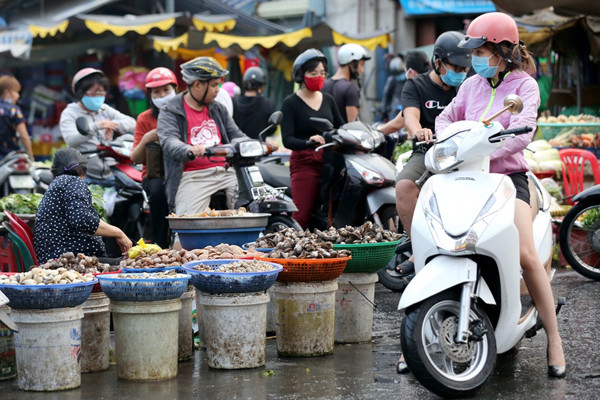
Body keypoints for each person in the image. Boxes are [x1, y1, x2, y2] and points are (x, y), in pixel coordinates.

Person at [436, 12, 565, 378]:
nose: (475, 57)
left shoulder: (524, 87)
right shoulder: (470, 87)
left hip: (509, 179)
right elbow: (446, 119)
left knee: (525, 255)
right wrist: (450, 141)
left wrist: (488, 151)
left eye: (481, 49)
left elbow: (524, 132)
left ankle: (554, 338)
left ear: (502, 50)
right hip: (466, 178)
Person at [157, 56, 249, 215]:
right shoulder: (170, 109)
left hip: (227, 171)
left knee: (254, 208)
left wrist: (257, 144)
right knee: (186, 226)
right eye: (214, 85)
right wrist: (188, 149)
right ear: (198, 84)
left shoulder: (218, 108)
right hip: (193, 177)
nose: (218, 89)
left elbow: (237, 135)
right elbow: (169, 141)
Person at [281, 49, 344, 229]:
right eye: (313, 73)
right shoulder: (290, 103)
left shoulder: (329, 100)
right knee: (302, 214)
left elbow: (342, 127)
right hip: (304, 163)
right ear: (301, 74)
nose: (319, 76)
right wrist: (309, 141)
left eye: (323, 73)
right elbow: (287, 140)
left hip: (330, 163)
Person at [33, 148, 132, 263]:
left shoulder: (59, 183)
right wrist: (118, 233)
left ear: (53, 172)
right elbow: (82, 219)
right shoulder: (74, 182)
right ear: (83, 172)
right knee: (130, 264)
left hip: (57, 258)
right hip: (68, 261)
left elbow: (83, 217)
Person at [59, 68, 136, 188]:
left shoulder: (104, 109)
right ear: (81, 92)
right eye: (94, 93)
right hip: (84, 175)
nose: (98, 97)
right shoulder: (69, 113)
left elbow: (131, 122)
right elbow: (71, 139)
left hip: (111, 172)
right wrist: (95, 127)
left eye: (101, 93)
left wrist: (113, 125)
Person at [131, 67, 176, 248]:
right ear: (150, 95)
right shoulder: (144, 118)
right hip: (155, 174)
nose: (162, 95)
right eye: (157, 92)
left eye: (166, 90)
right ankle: (160, 243)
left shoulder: (184, 114)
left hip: (182, 171)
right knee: (158, 191)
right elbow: (135, 157)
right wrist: (148, 138)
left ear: (175, 89)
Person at [377, 51, 430, 134]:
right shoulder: (435, 82)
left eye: (406, 71)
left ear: (412, 72)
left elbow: (397, 124)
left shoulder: (415, 89)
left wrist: (375, 133)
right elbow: (386, 95)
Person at [322, 43, 370, 123]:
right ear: (353, 63)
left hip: (326, 135)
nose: (362, 70)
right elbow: (353, 124)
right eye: (361, 65)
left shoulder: (324, 85)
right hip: (343, 135)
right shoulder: (350, 88)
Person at [233, 67, 275, 139]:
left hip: (237, 146)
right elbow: (271, 129)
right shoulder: (268, 104)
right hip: (259, 147)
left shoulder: (233, 102)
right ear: (261, 87)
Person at [0, 75, 34, 161]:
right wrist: (30, 156)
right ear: (7, 92)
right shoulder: (14, 110)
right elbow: (24, 136)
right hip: (9, 156)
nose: (18, 96)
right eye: (16, 92)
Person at [381, 56, 406, 121]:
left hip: (407, 108)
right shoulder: (392, 80)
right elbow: (386, 95)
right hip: (394, 110)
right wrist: (384, 110)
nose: (398, 75)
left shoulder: (409, 78)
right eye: (396, 74)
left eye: (399, 73)